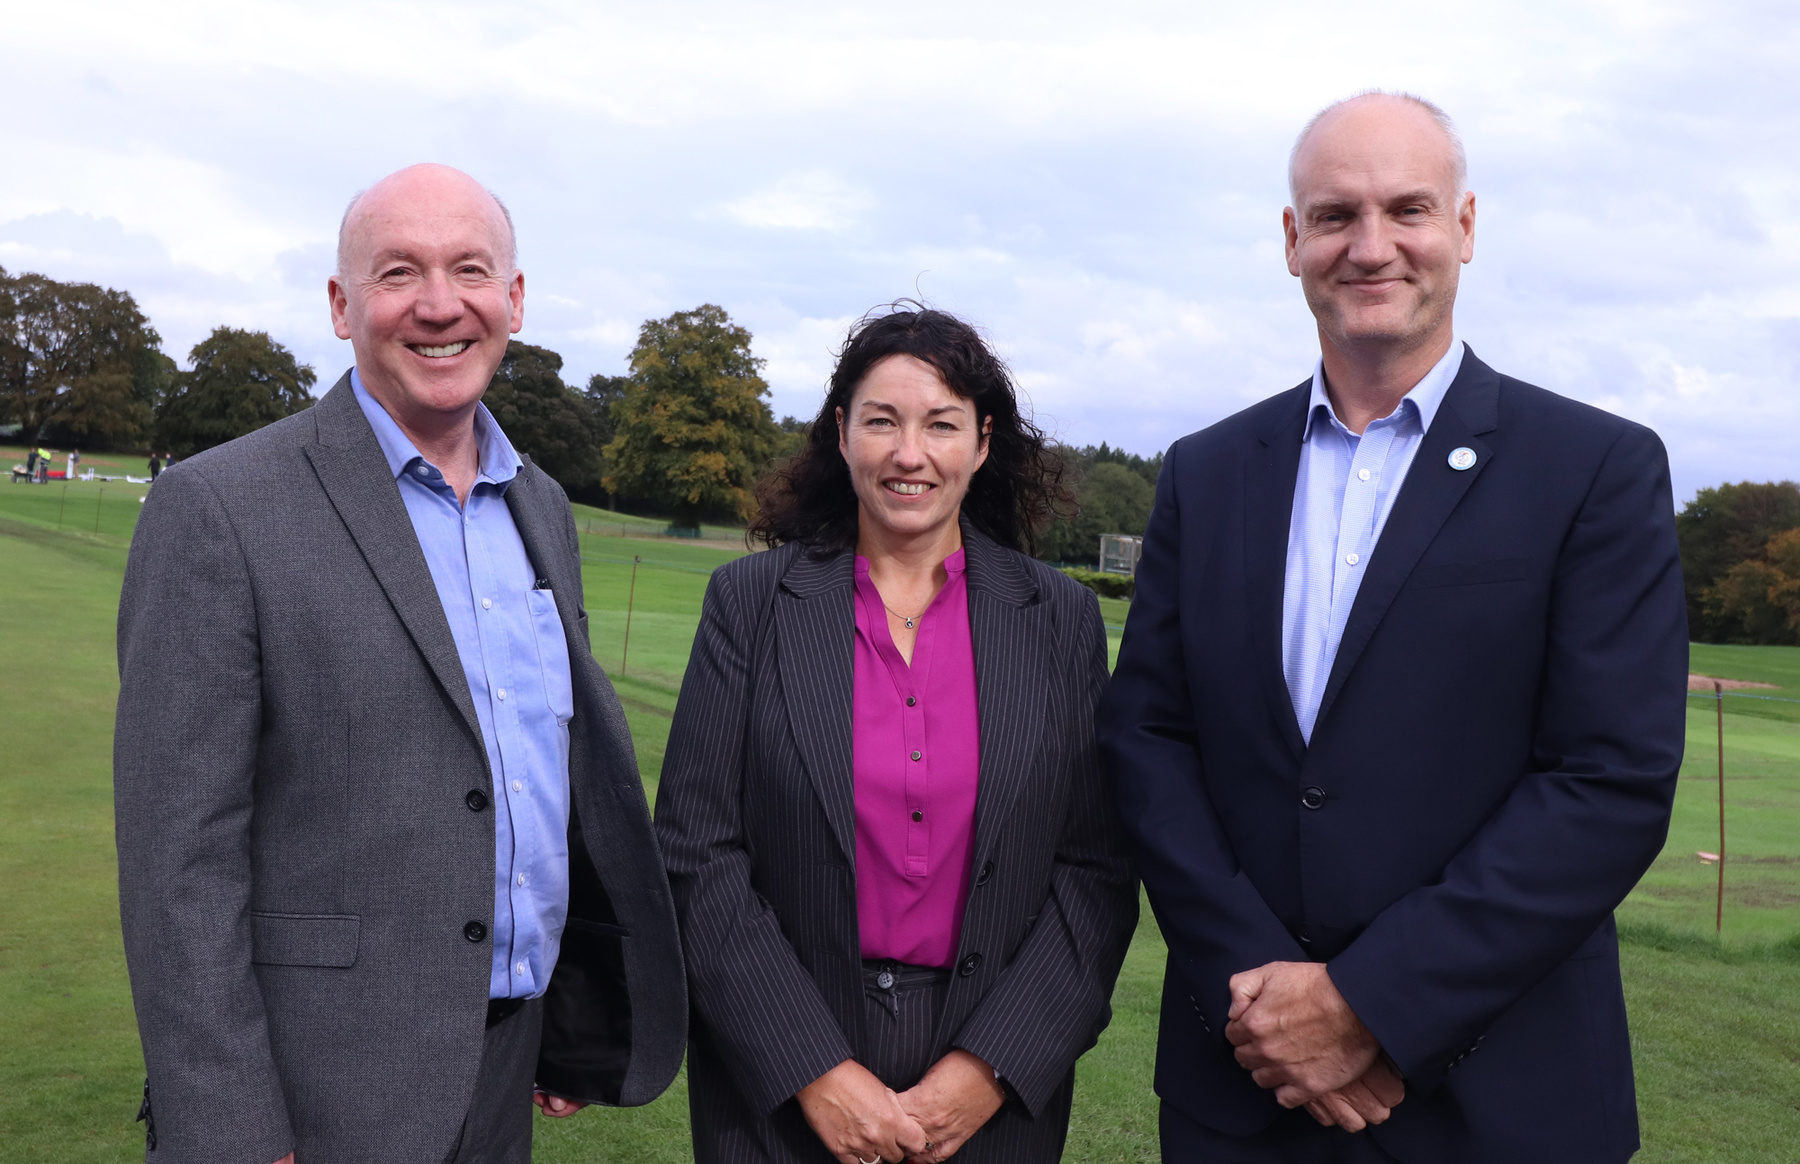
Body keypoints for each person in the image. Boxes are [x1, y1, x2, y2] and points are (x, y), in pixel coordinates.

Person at [1100, 92, 1687, 1163]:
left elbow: (1608, 780)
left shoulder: (1595, 469)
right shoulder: (1207, 472)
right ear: (1292, 240)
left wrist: (1367, 1005)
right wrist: (1267, 1004)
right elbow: (1149, 740)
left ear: (1464, 226)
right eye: (1335, 216)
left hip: (1498, 1104)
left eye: (1407, 209)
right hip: (1244, 1085)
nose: (1371, 247)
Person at [114, 164, 685, 1164]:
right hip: (318, 1089)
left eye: (470, 269)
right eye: (397, 272)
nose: (438, 304)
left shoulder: (541, 506)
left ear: (514, 298)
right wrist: (231, 1131)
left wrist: (567, 1010)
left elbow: (541, 779)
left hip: (504, 1070)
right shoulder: (219, 508)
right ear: (343, 306)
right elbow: (178, 863)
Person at [655, 305, 1137, 1164]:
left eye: (941, 424)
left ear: (982, 443)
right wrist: (814, 1070)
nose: (909, 453)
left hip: (990, 1094)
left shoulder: (1059, 617)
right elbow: (697, 854)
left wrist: (988, 1068)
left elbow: (1094, 871)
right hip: (783, 1086)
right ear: (842, 434)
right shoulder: (750, 604)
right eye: (882, 421)